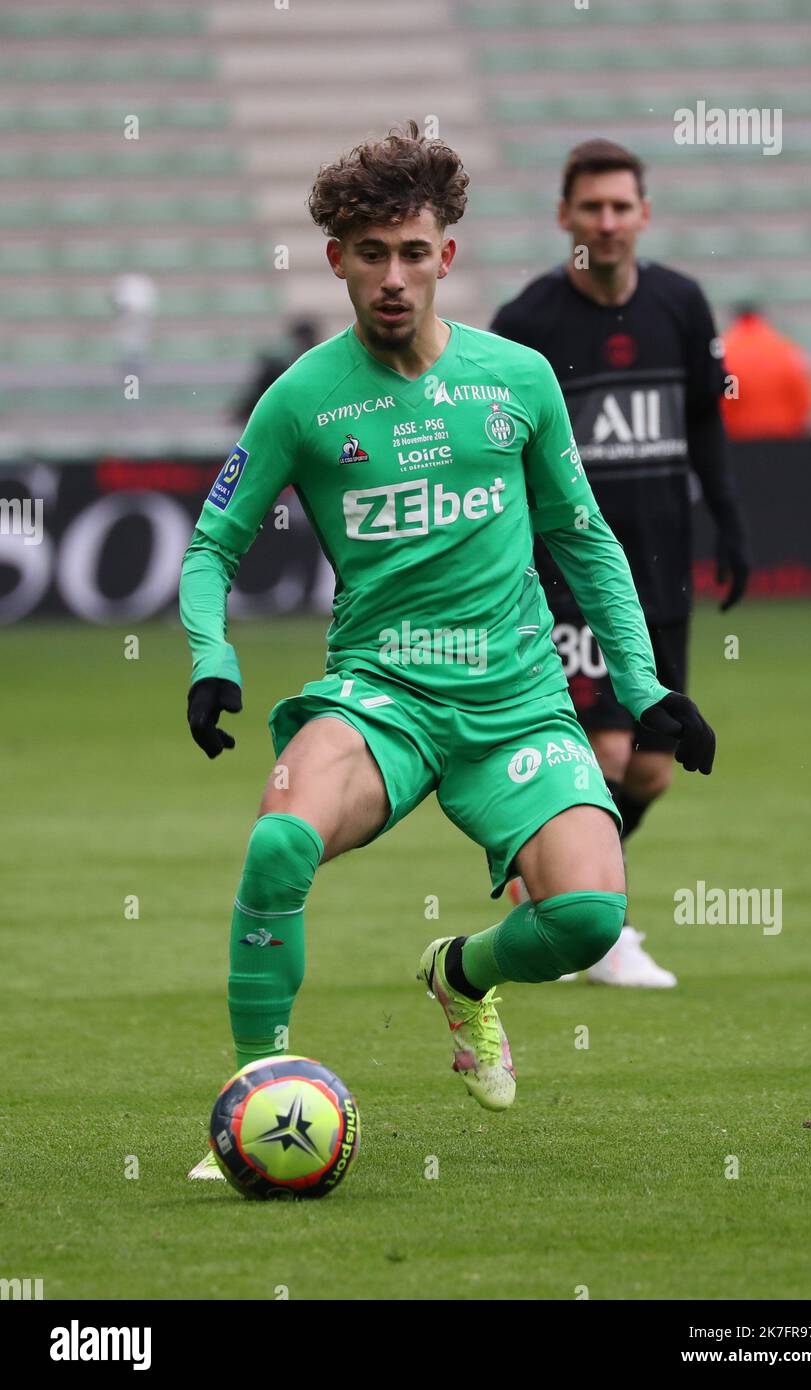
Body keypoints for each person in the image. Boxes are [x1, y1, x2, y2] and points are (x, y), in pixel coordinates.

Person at [178, 122, 715, 1179]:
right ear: (334, 258)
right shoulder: (300, 398)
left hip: (515, 696)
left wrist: (645, 686)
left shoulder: (514, 378)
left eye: (411, 252)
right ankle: (254, 1093)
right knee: (277, 845)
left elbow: (584, 538)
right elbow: (211, 544)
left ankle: (461, 973)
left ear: (445, 257)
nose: (391, 276)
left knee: (588, 916)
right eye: (369, 253)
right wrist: (210, 656)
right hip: (381, 696)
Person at [491, 138, 748, 988]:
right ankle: (593, 926)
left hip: (662, 569)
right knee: (600, 751)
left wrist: (729, 521)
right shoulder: (528, 323)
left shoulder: (681, 302)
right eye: (590, 207)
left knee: (651, 767)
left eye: (620, 206)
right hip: (568, 576)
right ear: (564, 216)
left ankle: (553, 903)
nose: (606, 222)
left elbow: (706, 421)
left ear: (644, 213)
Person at [720, 303, 811, 439]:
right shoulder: (784, 348)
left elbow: (727, 396)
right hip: (784, 434)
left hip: (740, 437)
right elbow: (803, 393)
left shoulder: (727, 350)